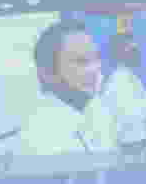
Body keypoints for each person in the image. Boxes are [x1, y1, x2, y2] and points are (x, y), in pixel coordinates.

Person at [14, 22, 118, 168]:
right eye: (81, 61)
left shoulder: (95, 109)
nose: (95, 69)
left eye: (96, 58)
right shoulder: (39, 137)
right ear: (48, 73)